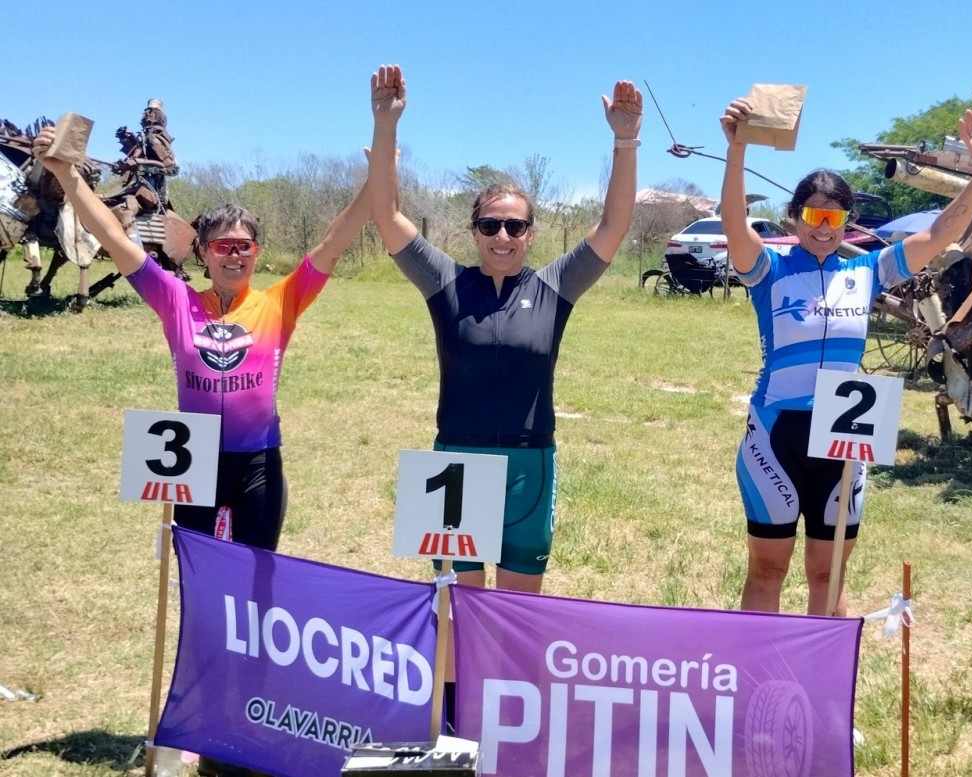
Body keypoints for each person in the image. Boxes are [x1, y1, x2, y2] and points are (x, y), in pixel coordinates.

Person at [34, 124, 369, 776]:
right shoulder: (175, 300)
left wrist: (378, 170)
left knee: (256, 595)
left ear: (256, 253)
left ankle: (249, 712)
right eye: (223, 246)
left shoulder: (281, 301)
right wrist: (69, 177)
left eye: (245, 246)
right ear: (205, 252)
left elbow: (336, 239)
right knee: (200, 594)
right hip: (192, 464)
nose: (234, 256)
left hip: (258, 465)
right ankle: (196, 715)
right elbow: (113, 239)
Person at [720, 98, 972, 616]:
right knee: (767, 570)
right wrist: (737, 149)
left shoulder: (868, 270)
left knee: (828, 575)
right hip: (776, 432)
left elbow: (940, 232)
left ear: (847, 220)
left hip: (845, 437)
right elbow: (735, 225)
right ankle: (758, 666)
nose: (823, 227)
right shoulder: (769, 271)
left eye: (834, 216)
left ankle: (823, 669)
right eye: (813, 215)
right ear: (794, 217)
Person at [369, 63, 640, 594]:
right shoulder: (444, 282)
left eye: (515, 226)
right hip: (456, 464)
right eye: (490, 225)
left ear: (530, 234)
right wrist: (385, 124)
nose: (502, 236)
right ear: (474, 231)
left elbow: (614, 225)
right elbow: (386, 214)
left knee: (516, 616)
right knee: (457, 612)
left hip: (529, 467)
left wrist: (626, 141)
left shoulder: (555, 287)